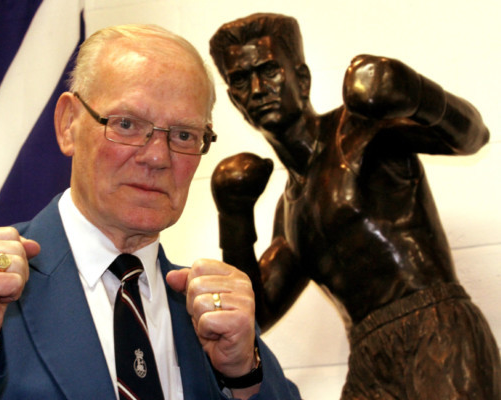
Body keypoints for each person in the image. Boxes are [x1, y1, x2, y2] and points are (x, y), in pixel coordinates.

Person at [0, 24, 301, 400]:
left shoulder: (209, 311)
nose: (157, 156)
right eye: (127, 124)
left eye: (184, 134)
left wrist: (245, 375)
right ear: (68, 124)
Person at [209, 13, 500, 399]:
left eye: (269, 70)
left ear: (303, 77)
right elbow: (255, 314)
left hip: (437, 329)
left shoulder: (360, 127)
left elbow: (474, 137)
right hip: (368, 359)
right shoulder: (290, 212)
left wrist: (414, 91)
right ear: (234, 100)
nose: (259, 89)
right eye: (241, 80)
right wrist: (234, 219)